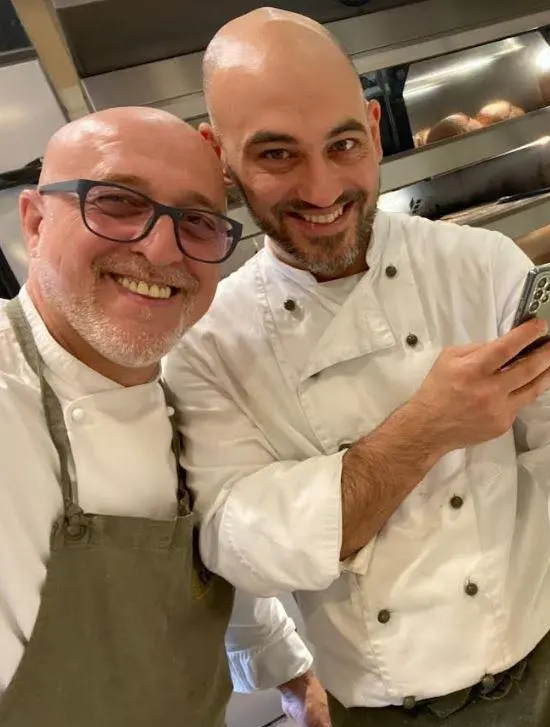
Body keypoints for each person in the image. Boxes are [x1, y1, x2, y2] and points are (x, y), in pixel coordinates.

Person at [163, 7, 550, 726]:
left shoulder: (482, 267)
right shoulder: (208, 343)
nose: (321, 188)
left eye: (342, 144)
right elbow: (239, 538)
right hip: (384, 707)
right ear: (219, 155)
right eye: (276, 155)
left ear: (372, 127)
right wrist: (426, 429)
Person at [0, 106, 325, 726]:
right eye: (119, 203)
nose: (159, 246)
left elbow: (201, 556)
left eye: (198, 221)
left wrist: (293, 673)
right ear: (36, 222)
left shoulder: (181, 392)